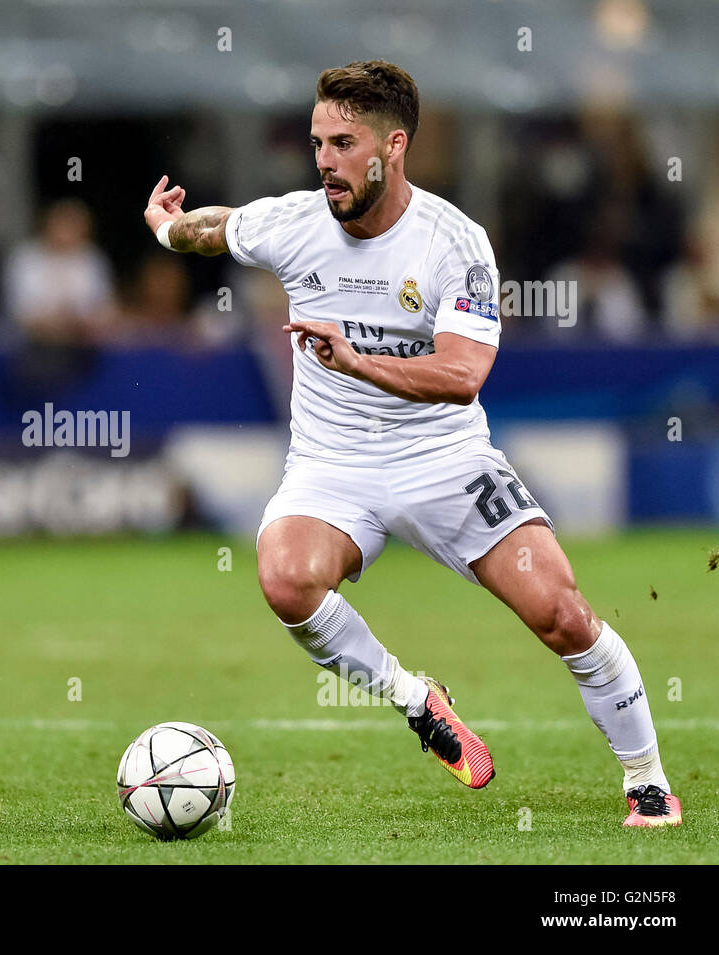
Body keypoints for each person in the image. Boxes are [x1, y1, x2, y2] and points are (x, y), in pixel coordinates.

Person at [143, 60, 679, 827]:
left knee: (560, 611)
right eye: (317, 140)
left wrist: (358, 358)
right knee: (287, 578)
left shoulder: (453, 243)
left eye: (343, 142)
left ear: (392, 148)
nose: (324, 158)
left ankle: (646, 779)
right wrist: (165, 226)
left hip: (444, 459)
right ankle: (417, 700)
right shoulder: (295, 222)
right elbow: (214, 228)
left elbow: (463, 374)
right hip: (332, 465)